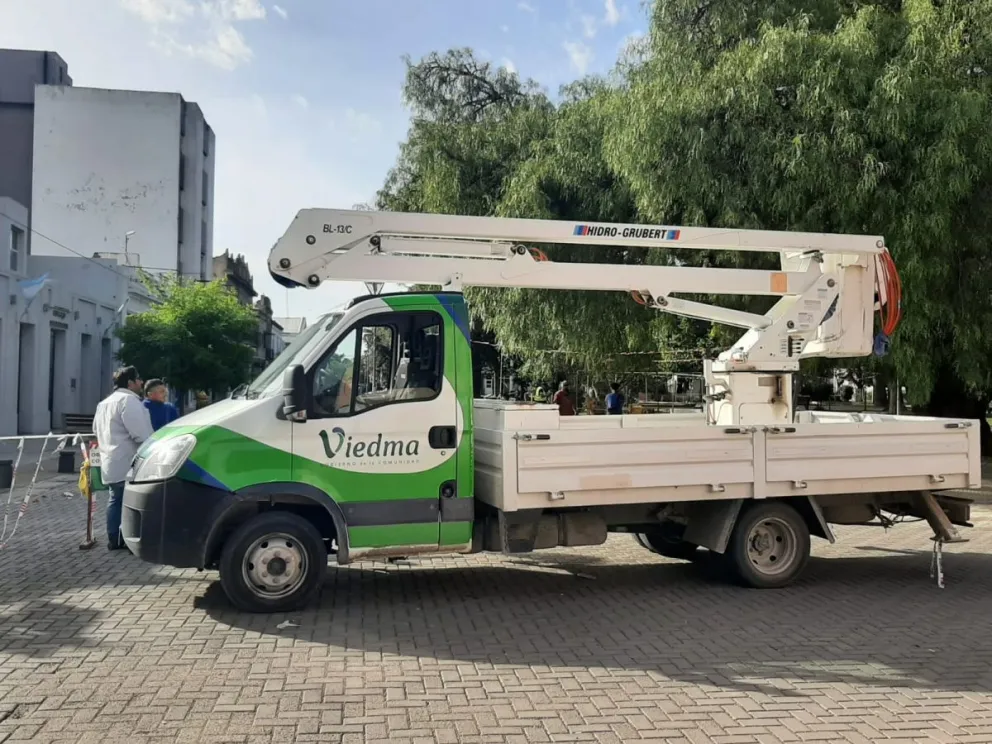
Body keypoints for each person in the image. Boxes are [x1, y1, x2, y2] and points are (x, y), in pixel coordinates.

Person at [94, 366, 154, 551]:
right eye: (138, 380)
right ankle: (127, 539)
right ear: (130, 383)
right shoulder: (129, 401)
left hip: (110, 460)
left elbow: (95, 430)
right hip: (128, 461)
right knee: (129, 503)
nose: (141, 383)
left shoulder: (104, 403)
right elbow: (141, 434)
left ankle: (114, 538)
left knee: (115, 499)